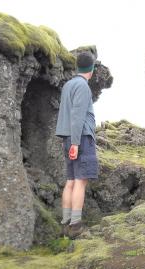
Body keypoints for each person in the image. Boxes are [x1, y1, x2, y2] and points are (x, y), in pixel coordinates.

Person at [55, 52, 99, 239]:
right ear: (92, 68)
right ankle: (75, 225)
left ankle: (65, 222)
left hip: (68, 138)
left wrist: (70, 142)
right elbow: (77, 115)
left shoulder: (68, 85)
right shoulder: (82, 86)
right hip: (80, 138)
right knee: (81, 181)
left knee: (71, 181)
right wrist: (75, 143)